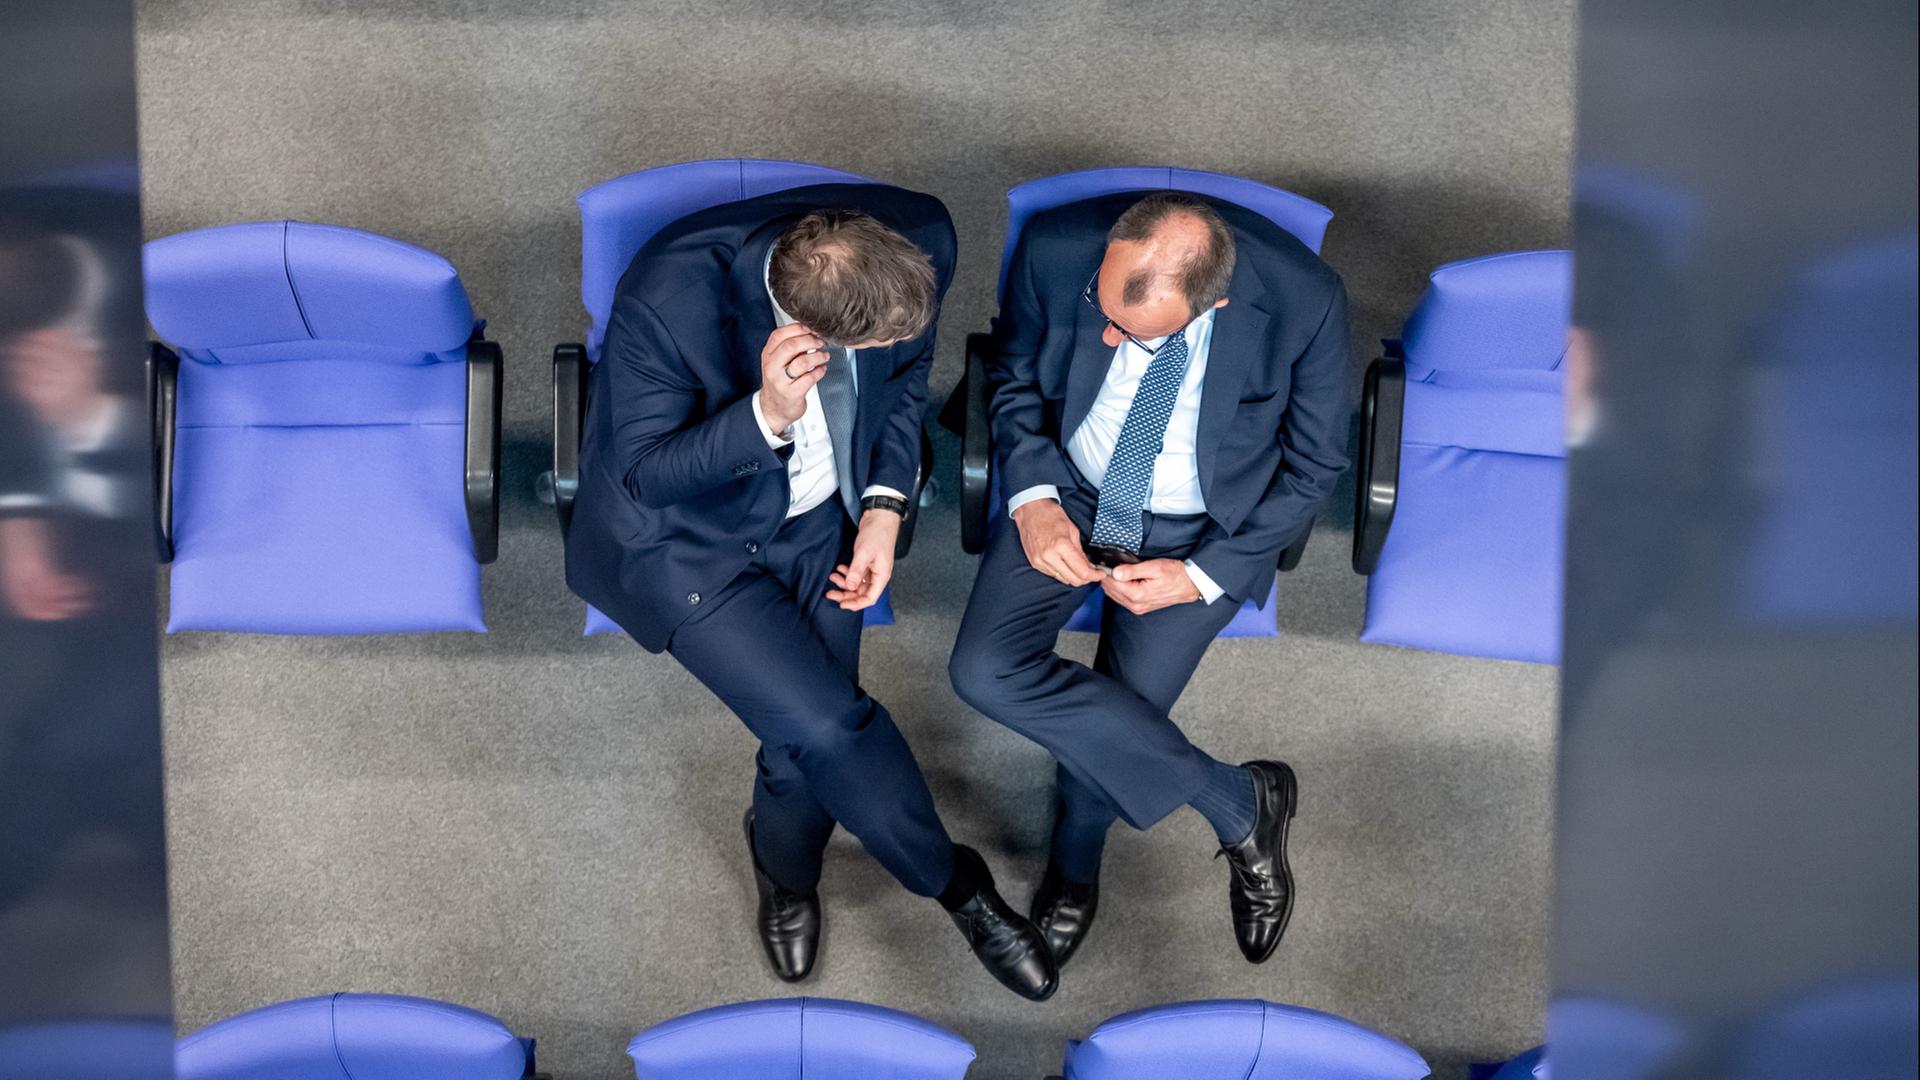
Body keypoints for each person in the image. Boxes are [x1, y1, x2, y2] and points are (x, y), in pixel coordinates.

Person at [564, 183, 1057, 1000]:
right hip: (690, 544)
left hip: (821, 520)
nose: (908, 341)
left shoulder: (920, 235)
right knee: (831, 723)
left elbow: (903, 386)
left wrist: (883, 509)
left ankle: (784, 870)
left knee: (801, 744)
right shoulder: (665, 298)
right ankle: (959, 888)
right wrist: (767, 412)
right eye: (880, 338)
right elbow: (646, 477)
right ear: (809, 332)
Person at [948, 191, 1352, 967]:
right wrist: (1031, 500)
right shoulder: (1055, 248)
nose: (1105, 333)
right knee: (982, 671)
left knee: (1119, 720)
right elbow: (1012, 377)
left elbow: (1314, 469)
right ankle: (1239, 801)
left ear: (1215, 301)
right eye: (1103, 312)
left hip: (1201, 530)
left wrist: (1204, 575)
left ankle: (1073, 874)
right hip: (1069, 489)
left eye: (1130, 335)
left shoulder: (1308, 301)